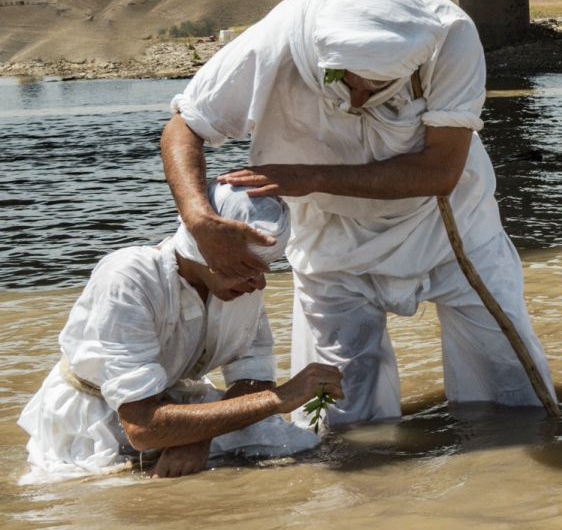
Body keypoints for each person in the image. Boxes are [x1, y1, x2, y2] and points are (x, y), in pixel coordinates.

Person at [161, 0, 556, 427]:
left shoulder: (450, 35)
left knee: (510, 389)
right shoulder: (279, 38)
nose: (359, 97)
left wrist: (307, 175)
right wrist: (199, 219)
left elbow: (440, 172)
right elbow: (184, 124)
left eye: (378, 86)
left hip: (451, 223)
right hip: (330, 231)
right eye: (346, 81)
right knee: (341, 408)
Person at [18, 183, 337, 483]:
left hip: (175, 408)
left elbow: (252, 379)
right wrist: (281, 399)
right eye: (245, 265)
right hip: (96, 420)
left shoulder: (242, 286)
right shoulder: (129, 278)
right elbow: (141, 426)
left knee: (304, 449)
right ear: (208, 244)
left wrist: (197, 436)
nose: (259, 284)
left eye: (265, 266)